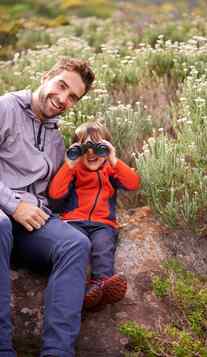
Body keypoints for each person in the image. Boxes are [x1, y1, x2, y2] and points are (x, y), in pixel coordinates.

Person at [0, 57, 95, 357]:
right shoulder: (6, 108)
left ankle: (57, 353)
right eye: (62, 86)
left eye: (72, 97)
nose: (63, 99)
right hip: (3, 214)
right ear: (46, 77)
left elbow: (52, 193)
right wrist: (13, 205)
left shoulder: (55, 138)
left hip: (30, 224)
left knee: (76, 244)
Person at [48, 121, 140, 310]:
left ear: (107, 149)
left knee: (103, 247)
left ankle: (100, 285)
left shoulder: (111, 170)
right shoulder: (74, 170)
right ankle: (79, 291)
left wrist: (114, 160)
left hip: (102, 224)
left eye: (98, 147)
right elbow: (55, 194)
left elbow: (133, 184)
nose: (91, 153)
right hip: (73, 222)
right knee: (75, 249)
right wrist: (69, 164)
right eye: (84, 148)